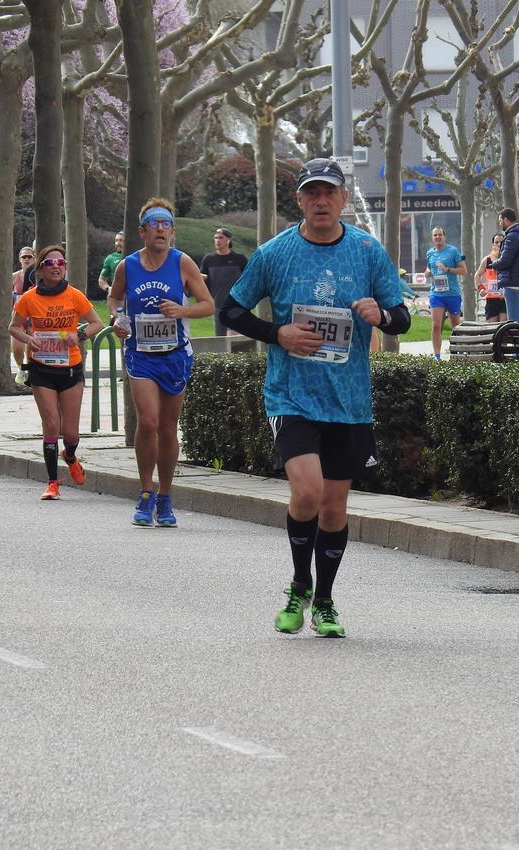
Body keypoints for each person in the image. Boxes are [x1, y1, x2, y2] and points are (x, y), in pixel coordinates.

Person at [220, 157, 411, 638]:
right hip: (292, 395)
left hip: (348, 400)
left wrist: (382, 317)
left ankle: (323, 600)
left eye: (330, 193)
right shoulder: (274, 253)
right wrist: (277, 333)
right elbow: (230, 310)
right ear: (300, 200)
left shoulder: (367, 251)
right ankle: (298, 584)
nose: (321, 201)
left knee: (333, 508)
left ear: (344, 199)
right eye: (312, 193)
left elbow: (402, 315)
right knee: (306, 492)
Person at [108, 198, 215, 527]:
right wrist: (117, 318)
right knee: (149, 422)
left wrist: (181, 311)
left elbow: (208, 305)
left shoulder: (183, 264)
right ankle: (144, 492)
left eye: (166, 223)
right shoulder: (127, 265)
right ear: (142, 232)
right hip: (140, 354)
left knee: (168, 428)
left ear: (173, 231)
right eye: (153, 223)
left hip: (175, 354)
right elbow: (114, 298)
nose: (160, 229)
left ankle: (166, 496)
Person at [10, 244, 105, 500]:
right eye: (50, 263)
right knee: (52, 426)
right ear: (40, 268)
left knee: (71, 433)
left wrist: (79, 334)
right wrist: (29, 339)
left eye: (61, 263)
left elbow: (98, 323)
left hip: (71, 369)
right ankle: (52, 483)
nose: (56, 267)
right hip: (41, 368)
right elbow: (14, 327)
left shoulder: (74, 295)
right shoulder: (29, 298)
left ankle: (70, 455)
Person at [424, 226, 467, 359]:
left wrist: (447, 269)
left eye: (440, 235)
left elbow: (463, 271)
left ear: (444, 236)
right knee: (436, 324)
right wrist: (427, 272)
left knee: (455, 326)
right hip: (436, 294)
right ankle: (437, 356)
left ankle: (458, 352)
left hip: (452, 293)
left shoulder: (453, 251)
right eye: (435, 235)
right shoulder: (430, 253)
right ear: (432, 238)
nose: (437, 237)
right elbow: (428, 268)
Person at [199, 227, 248, 336]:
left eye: (221, 237)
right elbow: (202, 281)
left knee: (234, 340)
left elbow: (248, 280)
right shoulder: (208, 259)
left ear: (228, 240)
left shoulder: (239, 259)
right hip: (218, 306)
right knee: (221, 341)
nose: (217, 240)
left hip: (236, 305)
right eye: (215, 238)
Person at [489, 208, 519, 325]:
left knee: (514, 322)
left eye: (500, 220)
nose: (500, 223)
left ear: (506, 220)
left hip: (513, 282)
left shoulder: (511, 237)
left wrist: (493, 263)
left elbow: (505, 261)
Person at [12, 246, 36, 383]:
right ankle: (22, 368)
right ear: (19, 259)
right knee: (17, 348)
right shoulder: (14, 277)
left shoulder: (38, 276)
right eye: (24, 257)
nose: (26, 259)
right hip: (18, 315)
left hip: (33, 316)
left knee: (31, 348)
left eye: (29, 257)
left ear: (34, 258)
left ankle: (29, 372)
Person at [475, 233, 507, 322]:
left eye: (501, 242)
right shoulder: (487, 260)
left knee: (503, 324)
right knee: (492, 326)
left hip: (505, 298)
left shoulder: (509, 259)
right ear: (493, 244)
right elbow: (477, 275)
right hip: (491, 299)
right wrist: (481, 288)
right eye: (496, 242)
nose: (499, 244)